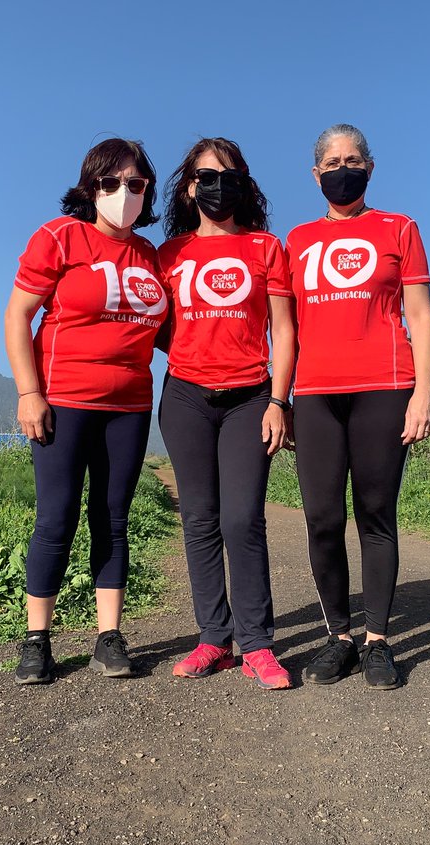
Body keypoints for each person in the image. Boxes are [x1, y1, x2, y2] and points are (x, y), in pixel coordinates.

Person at [4, 138, 168, 685]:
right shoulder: (59, 237)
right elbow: (18, 316)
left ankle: (109, 637)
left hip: (130, 406)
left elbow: (170, 331)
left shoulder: (150, 255)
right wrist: (29, 393)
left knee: (113, 520)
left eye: (135, 184)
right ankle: (37, 640)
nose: (124, 192)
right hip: (64, 401)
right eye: (110, 182)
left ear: (147, 192)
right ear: (90, 187)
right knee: (56, 519)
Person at [285, 123, 430, 690]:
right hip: (316, 394)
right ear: (316, 174)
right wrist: (281, 399)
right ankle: (339, 638)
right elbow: (285, 327)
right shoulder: (296, 240)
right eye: (332, 162)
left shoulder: (399, 228)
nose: (342, 169)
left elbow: (420, 314)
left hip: (385, 387)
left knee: (376, 514)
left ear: (369, 168)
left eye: (353, 160)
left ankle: (377, 641)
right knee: (322, 519)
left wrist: (422, 393)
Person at [157, 137, 296, 690]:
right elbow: (153, 324)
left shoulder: (266, 248)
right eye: (206, 176)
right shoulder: (169, 254)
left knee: (242, 519)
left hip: (250, 398)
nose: (217, 186)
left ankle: (257, 644)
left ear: (244, 185)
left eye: (229, 176)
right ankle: (214, 638)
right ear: (188, 188)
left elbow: (283, 329)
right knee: (199, 520)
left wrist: (279, 401)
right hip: (185, 398)